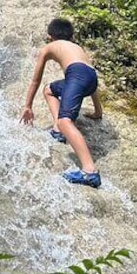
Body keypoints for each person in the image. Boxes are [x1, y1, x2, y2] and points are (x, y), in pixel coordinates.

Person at [19, 18, 104, 188]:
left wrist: (28, 106)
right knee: (49, 90)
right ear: (71, 37)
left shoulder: (48, 48)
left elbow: (35, 81)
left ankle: (89, 171)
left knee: (66, 121)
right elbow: (90, 81)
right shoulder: (78, 49)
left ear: (50, 37)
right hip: (90, 78)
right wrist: (97, 111)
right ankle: (58, 131)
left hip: (77, 76)